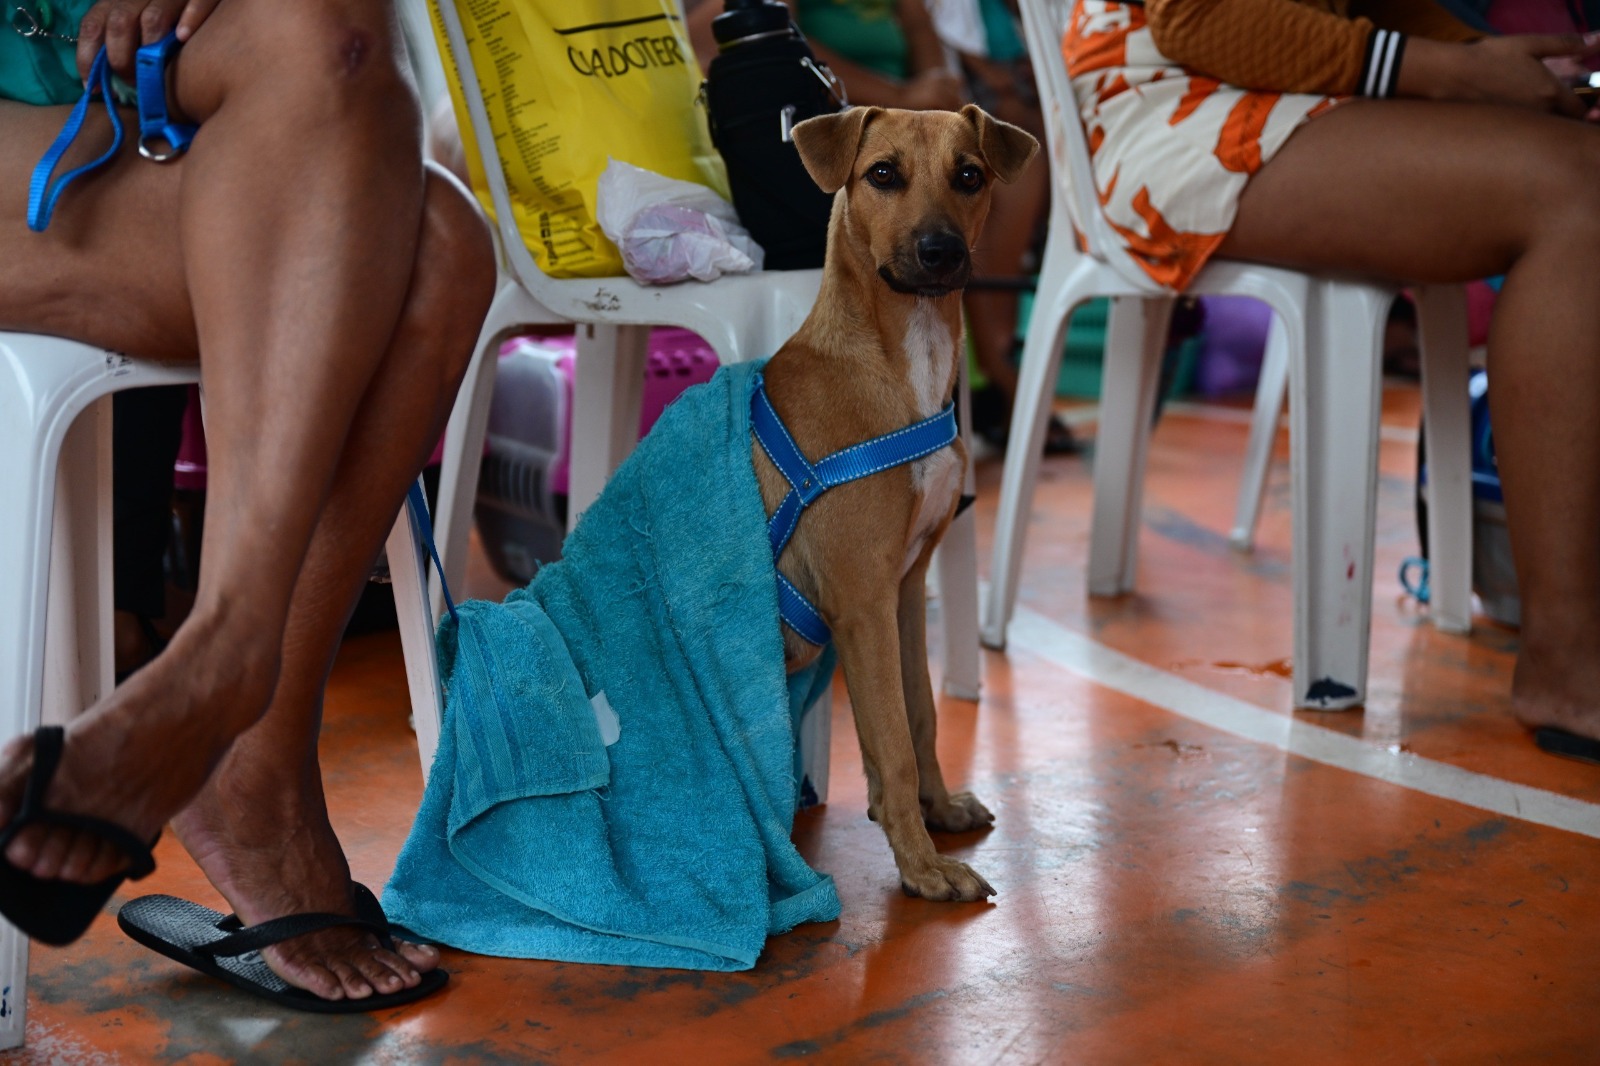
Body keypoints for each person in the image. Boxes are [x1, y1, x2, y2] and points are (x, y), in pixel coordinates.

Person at [0, 0, 495, 1004]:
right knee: (426, 253)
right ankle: (243, 706)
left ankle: (243, 715)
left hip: (89, 93)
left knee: (362, 85)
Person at [1062, 0, 1600, 761]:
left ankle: (1573, 628)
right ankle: (1567, 657)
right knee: (1580, 193)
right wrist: (1452, 70)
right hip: (1168, 98)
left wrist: (1497, 61)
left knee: (1578, 168)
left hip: (1283, 89)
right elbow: (1194, 20)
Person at [688, 0, 1075, 452]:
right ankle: (997, 376)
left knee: (1007, 186)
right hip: (836, 128)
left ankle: (995, 362)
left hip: (918, 125)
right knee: (928, 214)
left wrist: (934, 92)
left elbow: (927, 50)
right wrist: (901, 96)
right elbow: (713, 41)